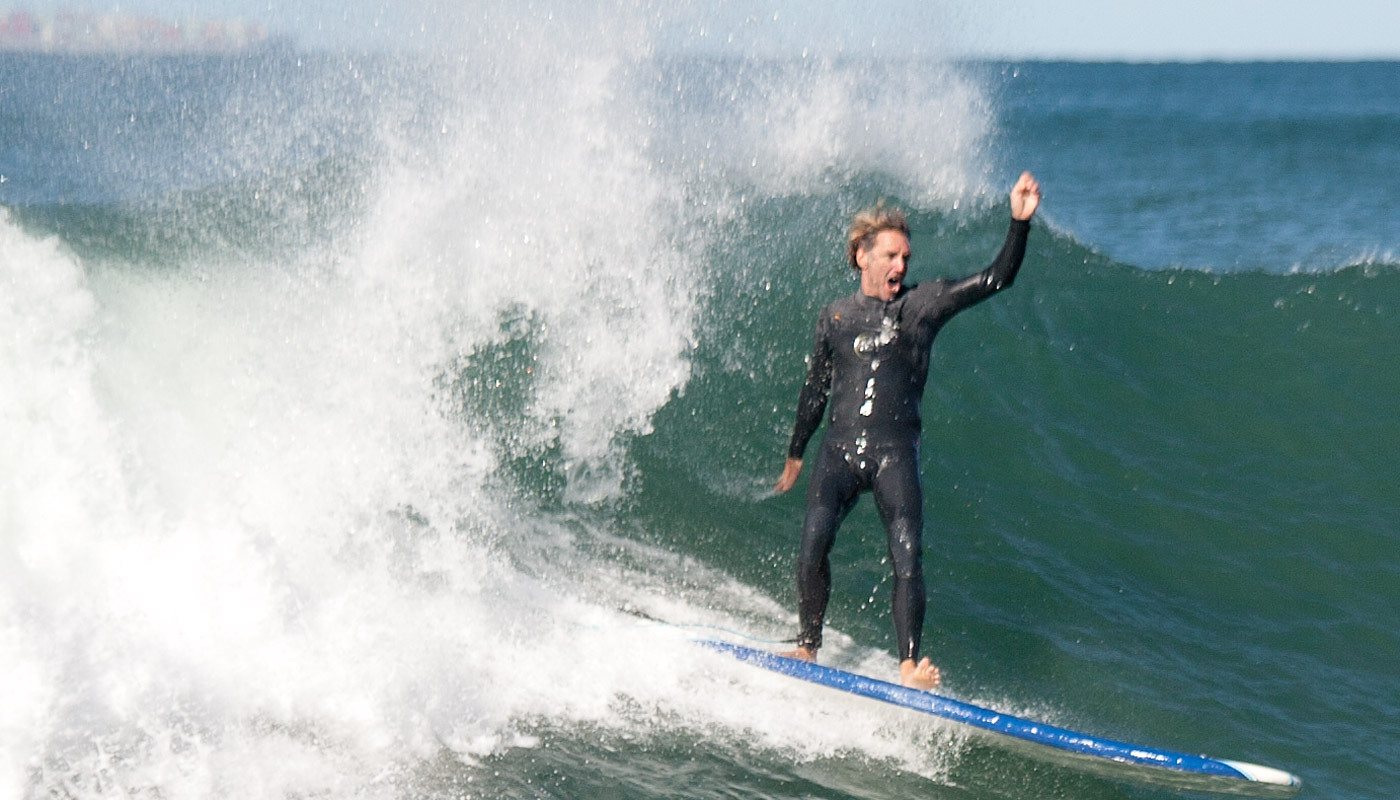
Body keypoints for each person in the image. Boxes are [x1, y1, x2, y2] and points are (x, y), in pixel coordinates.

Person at [774, 172, 1042, 690]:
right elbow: (815, 390)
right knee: (812, 546)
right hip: (839, 450)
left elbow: (994, 279)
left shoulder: (921, 307)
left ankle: (909, 666)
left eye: (906, 259)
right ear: (862, 256)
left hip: (895, 452)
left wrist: (1019, 224)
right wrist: (796, 452)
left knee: (907, 555)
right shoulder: (834, 317)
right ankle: (807, 646)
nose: (901, 267)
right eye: (891, 256)